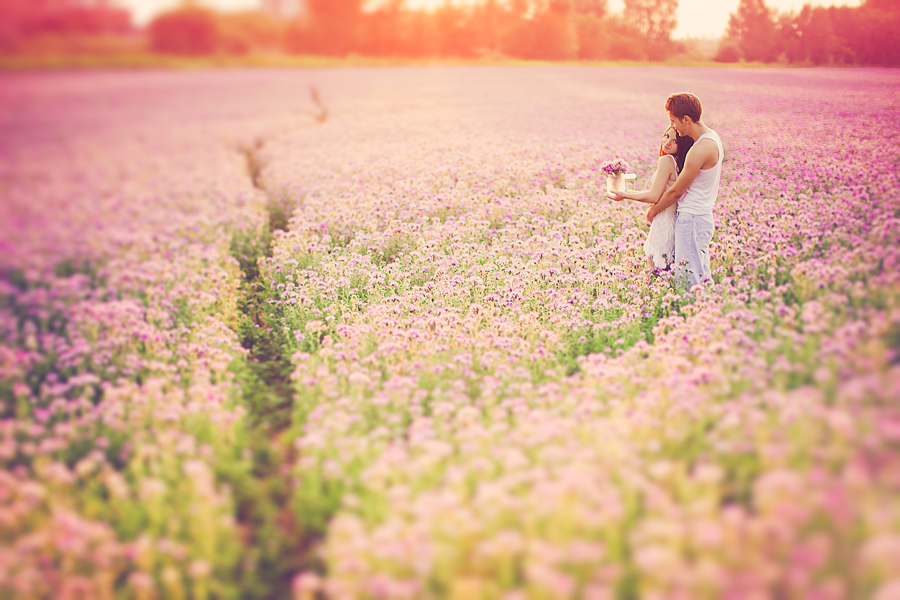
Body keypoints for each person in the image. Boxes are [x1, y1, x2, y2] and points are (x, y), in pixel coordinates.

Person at [647, 92, 724, 289]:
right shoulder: (713, 137)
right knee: (700, 275)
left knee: (689, 280)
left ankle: (695, 314)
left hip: (692, 219)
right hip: (701, 217)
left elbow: (675, 192)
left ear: (686, 120)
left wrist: (653, 211)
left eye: (674, 121)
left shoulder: (699, 150)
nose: (672, 126)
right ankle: (707, 312)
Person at [607, 127, 693, 270]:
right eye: (666, 136)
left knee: (655, 271)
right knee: (669, 271)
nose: (667, 142)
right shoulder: (682, 163)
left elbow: (654, 195)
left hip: (663, 222)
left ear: (682, 145)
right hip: (675, 220)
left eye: (675, 141)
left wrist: (624, 194)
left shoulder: (667, 160)